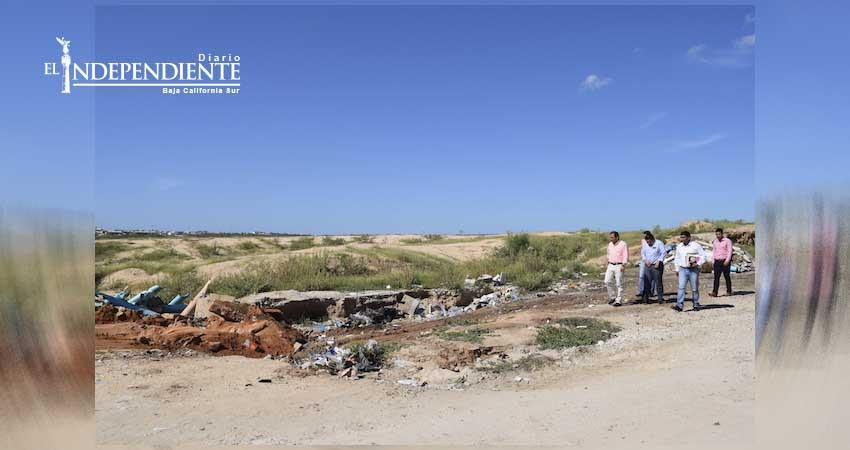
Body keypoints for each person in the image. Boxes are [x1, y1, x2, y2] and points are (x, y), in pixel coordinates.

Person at [672, 230, 707, 312]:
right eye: (681, 237)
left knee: (694, 288)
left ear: (688, 237)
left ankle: (696, 304)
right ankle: (679, 305)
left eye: (684, 237)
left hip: (693, 270)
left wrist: (698, 263)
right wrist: (677, 269)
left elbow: (703, 256)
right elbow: (677, 258)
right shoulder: (679, 246)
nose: (682, 239)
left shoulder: (695, 246)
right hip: (682, 269)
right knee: (681, 287)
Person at [641, 232, 666, 304]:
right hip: (648, 265)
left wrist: (659, 261)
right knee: (647, 282)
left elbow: (663, 252)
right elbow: (643, 253)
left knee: (658, 282)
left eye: (649, 242)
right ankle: (646, 299)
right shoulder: (645, 244)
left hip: (657, 265)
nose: (648, 243)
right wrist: (645, 260)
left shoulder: (659, 243)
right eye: (647, 242)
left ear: (652, 239)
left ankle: (660, 298)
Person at [605, 231, 628, 307]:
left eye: (612, 237)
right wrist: (607, 261)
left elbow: (625, 255)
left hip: (619, 265)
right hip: (610, 264)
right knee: (607, 281)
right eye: (610, 237)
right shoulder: (610, 244)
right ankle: (613, 297)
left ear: (617, 237)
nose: (610, 239)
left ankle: (619, 300)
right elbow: (608, 253)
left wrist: (624, 265)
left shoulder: (623, 244)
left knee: (619, 283)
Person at [710, 227, 733, 297]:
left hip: (725, 261)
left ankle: (729, 291)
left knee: (727, 276)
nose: (718, 236)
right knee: (716, 277)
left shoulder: (727, 241)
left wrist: (727, 260)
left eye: (719, 234)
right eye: (716, 234)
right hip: (717, 261)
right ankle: (715, 292)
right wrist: (713, 260)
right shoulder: (715, 241)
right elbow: (714, 251)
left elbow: (730, 251)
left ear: (722, 234)